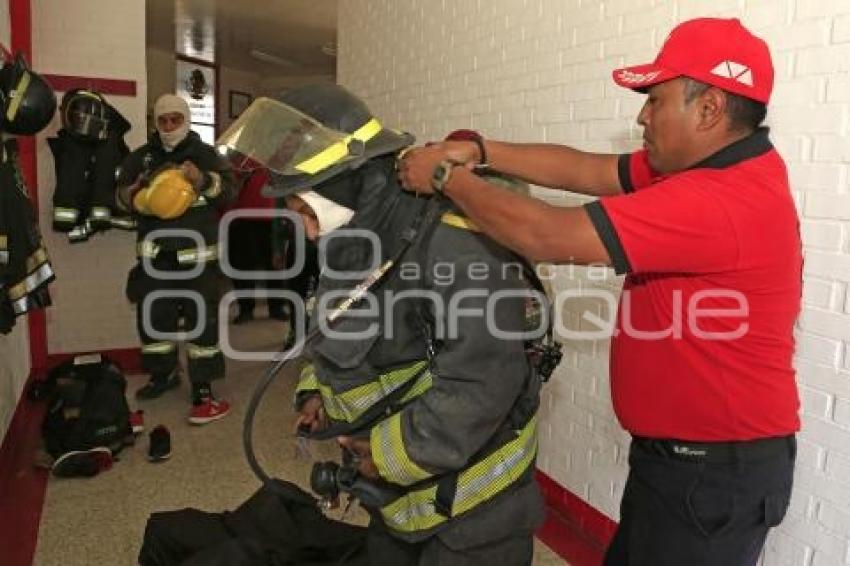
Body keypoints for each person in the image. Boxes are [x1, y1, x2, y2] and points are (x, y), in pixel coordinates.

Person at [398, 17, 801, 566]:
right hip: (686, 463)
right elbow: (585, 168)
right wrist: (481, 151)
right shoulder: (704, 169)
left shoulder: (719, 199)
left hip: (711, 473)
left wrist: (447, 177)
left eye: (655, 100)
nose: (642, 115)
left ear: (708, 108)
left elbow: (547, 235)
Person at [217, 85, 545, 564]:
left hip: (474, 508)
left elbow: (483, 378)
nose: (307, 231)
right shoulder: (354, 231)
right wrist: (318, 394)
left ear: (341, 181)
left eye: (308, 211)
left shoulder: (454, 241)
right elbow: (335, 322)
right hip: (393, 496)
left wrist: (386, 455)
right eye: (296, 215)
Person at [116, 94, 235, 425]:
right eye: (163, 120)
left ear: (186, 120)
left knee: (202, 321)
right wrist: (128, 194)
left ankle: (202, 385)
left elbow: (228, 193)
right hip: (155, 259)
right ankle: (162, 374)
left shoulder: (205, 155)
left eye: (175, 120)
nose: (169, 126)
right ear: (155, 121)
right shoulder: (141, 158)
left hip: (198, 260)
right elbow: (121, 197)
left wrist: (202, 181)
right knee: (154, 318)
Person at [224, 167, 289, 324]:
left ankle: (276, 307)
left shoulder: (276, 160)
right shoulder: (236, 159)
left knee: (274, 265)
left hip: (270, 218)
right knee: (241, 267)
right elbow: (226, 190)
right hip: (240, 217)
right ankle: (246, 309)